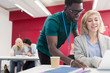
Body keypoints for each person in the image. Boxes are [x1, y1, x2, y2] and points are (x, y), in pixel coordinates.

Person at [37, 0, 87, 68]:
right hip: (44, 49)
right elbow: (52, 48)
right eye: (74, 11)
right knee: (49, 69)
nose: (78, 14)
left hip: (55, 48)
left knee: (56, 68)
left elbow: (77, 38)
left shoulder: (73, 19)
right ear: (66, 9)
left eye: (80, 11)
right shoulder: (52, 21)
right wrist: (71, 62)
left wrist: (85, 50)